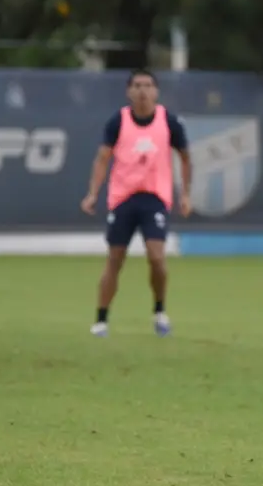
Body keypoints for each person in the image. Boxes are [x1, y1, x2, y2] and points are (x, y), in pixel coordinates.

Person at [80, 69, 192, 337]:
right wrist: (93, 193)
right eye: (137, 85)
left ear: (156, 91)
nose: (143, 90)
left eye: (148, 85)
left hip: (154, 199)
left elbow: (186, 158)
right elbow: (102, 159)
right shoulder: (118, 122)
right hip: (123, 199)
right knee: (115, 259)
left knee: (156, 257)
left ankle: (159, 311)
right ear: (129, 91)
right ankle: (101, 320)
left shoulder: (169, 122)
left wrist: (185, 194)